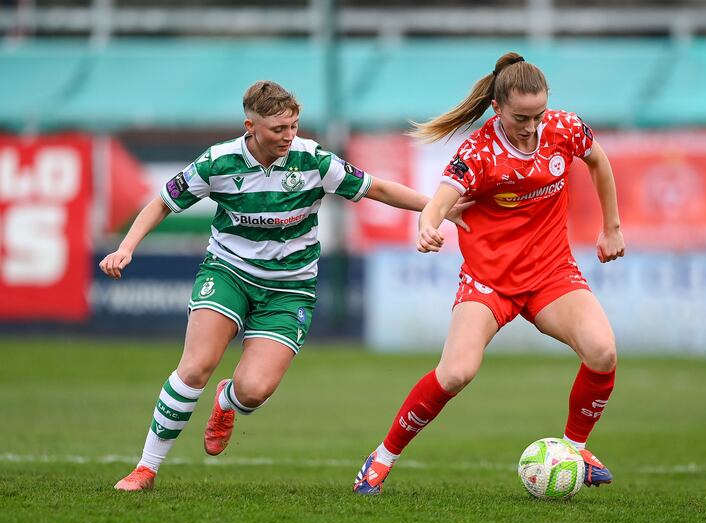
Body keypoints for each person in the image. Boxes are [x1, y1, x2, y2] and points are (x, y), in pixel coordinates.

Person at [101, 80, 470, 491]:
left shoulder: (312, 160)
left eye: (294, 126)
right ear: (251, 126)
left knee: (254, 391)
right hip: (228, 272)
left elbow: (377, 188)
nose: (289, 136)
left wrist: (439, 208)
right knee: (195, 366)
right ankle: (146, 468)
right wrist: (126, 248)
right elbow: (162, 202)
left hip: (289, 288)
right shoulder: (217, 162)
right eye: (279, 129)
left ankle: (228, 401)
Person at [353, 52, 625, 495]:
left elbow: (599, 162)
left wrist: (611, 226)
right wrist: (427, 224)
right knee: (456, 373)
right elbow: (443, 197)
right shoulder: (479, 152)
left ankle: (574, 449)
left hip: (552, 273)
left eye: (538, 114)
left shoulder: (565, 127)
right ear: (497, 108)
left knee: (602, 352)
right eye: (521, 117)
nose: (532, 126)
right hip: (489, 281)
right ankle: (380, 458)